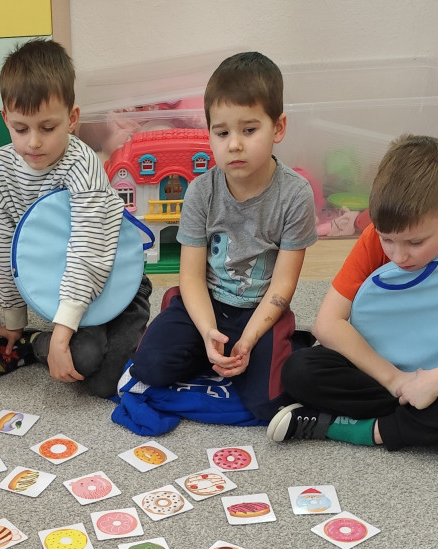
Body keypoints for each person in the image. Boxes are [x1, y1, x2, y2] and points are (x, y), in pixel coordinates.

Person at [271, 134, 438, 470]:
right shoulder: (376, 236)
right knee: (299, 370)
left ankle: (368, 430)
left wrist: (437, 382)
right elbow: (328, 324)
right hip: (387, 367)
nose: (398, 256)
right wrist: (395, 380)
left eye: (415, 242)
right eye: (388, 240)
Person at [122, 51, 317, 424]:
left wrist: (249, 340)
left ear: (278, 128)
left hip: (259, 312)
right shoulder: (200, 191)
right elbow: (192, 276)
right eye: (222, 132)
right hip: (206, 303)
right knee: (149, 366)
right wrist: (207, 330)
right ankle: (203, 341)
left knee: (269, 403)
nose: (234, 145)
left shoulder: (295, 194)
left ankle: (277, 342)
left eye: (249, 130)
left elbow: (283, 285)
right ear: (209, 132)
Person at [0, 38, 152, 397]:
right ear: (5, 118)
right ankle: (36, 342)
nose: (33, 142)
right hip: (66, 289)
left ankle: (133, 311)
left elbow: (88, 250)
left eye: (47, 128)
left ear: (72, 119)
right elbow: (2, 247)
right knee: (85, 358)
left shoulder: (82, 163)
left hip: (113, 275)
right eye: (21, 128)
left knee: (108, 384)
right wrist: (14, 320)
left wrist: (62, 335)